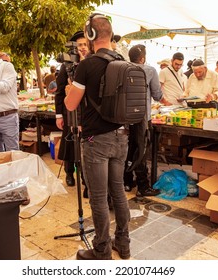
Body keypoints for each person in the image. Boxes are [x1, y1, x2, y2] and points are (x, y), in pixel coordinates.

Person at [64, 13, 131, 260]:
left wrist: (68, 91)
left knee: (99, 198)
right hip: (122, 136)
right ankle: (123, 244)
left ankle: (101, 249)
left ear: (91, 35)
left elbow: (71, 105)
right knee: (119, 193)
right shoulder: (123, 61)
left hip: (96, 141)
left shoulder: (87, 65)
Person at [123, 44, 162, 197]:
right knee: (141, 151)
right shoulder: (150, 70)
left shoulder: (123, 69)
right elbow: (157, 94)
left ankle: (126, 182)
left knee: (127, 150)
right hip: (142, 117)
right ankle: (142, 186)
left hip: (124, 118)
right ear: (143, 58)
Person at [55, 30, 89, 187]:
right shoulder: (66, 66)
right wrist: (59, 115)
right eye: (79, 45)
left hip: (87, 114)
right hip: (70, 113)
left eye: (85, 44)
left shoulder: (92, 64)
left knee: (84, 147)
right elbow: (60, 92)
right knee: (69, 143)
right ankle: (69, 173)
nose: (82, 48)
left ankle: (85, 178)